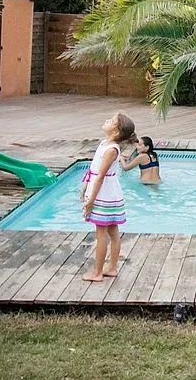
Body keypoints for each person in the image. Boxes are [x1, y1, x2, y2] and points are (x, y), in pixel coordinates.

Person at [81, 112, 136, 282]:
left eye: (112, 121)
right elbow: (93, 170)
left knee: (102, 234)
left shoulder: (111, 150)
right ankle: (112, 268)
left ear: (116, 132)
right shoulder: (105, 144)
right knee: (112, 231)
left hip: (104, 193)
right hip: (105, 191)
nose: (107, 120)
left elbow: (101, 176)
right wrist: (83, 187)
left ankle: (97, 272)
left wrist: (91, 201)